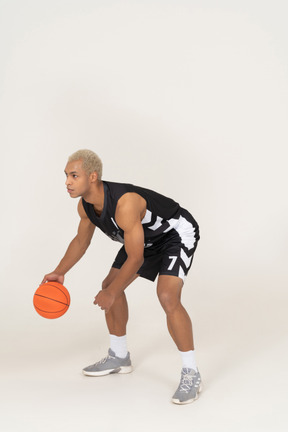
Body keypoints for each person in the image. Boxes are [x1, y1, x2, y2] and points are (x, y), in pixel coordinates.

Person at [42, 149, 202, 404]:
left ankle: (191, 372)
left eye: (74, 176)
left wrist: (112, 292)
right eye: (66, 176)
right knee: (109, 284)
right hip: (145, 240)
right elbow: (81, 242)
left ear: (92, 177)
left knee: (167, 296)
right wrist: (60, 271)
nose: (67, 182)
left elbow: (136, 258)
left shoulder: (125, 203)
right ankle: (119, 356)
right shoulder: (85, 206)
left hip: (175, 233)